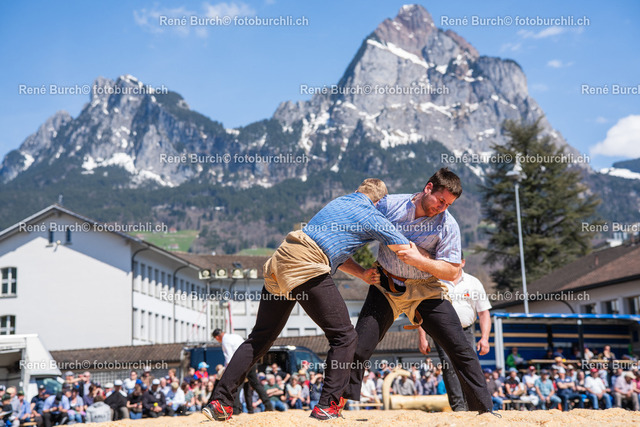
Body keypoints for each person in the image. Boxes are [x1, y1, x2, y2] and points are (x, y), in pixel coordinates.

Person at [204, 178, 418, 422]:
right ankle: (327, 405)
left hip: (280, 261)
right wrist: (432, 268)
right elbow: (404, 247)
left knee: (260, 337)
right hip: (306, 265)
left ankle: (220, 401)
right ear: (379, 202)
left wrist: (362, 274)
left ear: (357, 191)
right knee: (345, 337)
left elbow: (332, 248)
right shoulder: (372, 214)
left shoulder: (339, 202)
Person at [342, 169, 494, 414]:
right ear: (428, 188)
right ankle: (335, 404)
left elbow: (452, 271)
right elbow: (352, 228)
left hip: (425, 289)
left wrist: (419, 260)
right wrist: (360, 272)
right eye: (440, 200)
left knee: (461, 348)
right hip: (386, 285)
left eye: (448, 205)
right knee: (359, 346)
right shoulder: (390, 205)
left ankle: (485, 410)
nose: (442, 208)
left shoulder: (448, 225)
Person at [417, 253, 492, 411]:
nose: (451, 265)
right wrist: (422, 338)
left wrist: (485, 338)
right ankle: (458, 407)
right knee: (448, 365)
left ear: (462, 262)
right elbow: (422, 312)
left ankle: (474, 405)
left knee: (469, 365)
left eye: (455, 262)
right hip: (442, 331)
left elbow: (484, 313)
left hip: (466, 331)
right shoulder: (435, 282)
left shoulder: (473, 283)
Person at [212, 328, 274, 414]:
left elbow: (229, 358)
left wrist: (227, 371)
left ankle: (236, 410)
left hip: (241, 363)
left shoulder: (225, 341)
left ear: (217, 337)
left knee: (236, 385)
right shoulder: (235, 336)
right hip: (251, 359)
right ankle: (268, 405)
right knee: (256, 384)